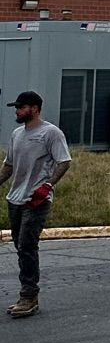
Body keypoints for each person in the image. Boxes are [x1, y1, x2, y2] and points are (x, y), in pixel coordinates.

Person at [1, 90, 70, 319]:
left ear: (35, 109)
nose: (17, 111)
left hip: (36, 199)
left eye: (21, 107)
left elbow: (64, 162)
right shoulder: (17, 134)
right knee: (20, 246)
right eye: (16, 107)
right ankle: (28, 294)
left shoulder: (51, 133)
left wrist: (47, 186)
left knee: (27, 246)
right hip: (15, 198)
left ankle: (28, 296)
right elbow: (9, 166)